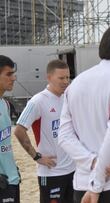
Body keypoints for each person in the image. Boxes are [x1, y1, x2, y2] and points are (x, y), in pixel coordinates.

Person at [58, 23, 110, 203]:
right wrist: (97, 184)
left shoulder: (76, 83)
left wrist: (91, 161)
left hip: (82, 183)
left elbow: (64, 136)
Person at [14, 59, 75, 203]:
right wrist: (37, 157)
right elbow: (19, 130)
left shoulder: (67, 98)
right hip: (51, 173)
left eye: (67, 77)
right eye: (61, 78)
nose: (66, 81)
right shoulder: (38, 101)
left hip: (72, 170)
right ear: (49, 77)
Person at [0, 55, 20, 203]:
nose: (13, 78)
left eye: (13, 73)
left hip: (11, 179)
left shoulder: (5, 104)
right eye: (8, 74)